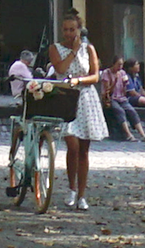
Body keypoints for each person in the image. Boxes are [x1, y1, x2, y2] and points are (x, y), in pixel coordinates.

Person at [46, 16, 110, 211]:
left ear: (79, 30)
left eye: (72, 30)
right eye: (65, 30)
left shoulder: (89, 49)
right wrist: (73, 51)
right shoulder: (55, 48)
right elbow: (61, 69)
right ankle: (71, 188)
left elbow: (95, 75)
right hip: (66, 99)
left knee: (84, 149)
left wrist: (80, 81)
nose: (68, 33)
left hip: (86, 99)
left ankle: (82, 194)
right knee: (72, 145)